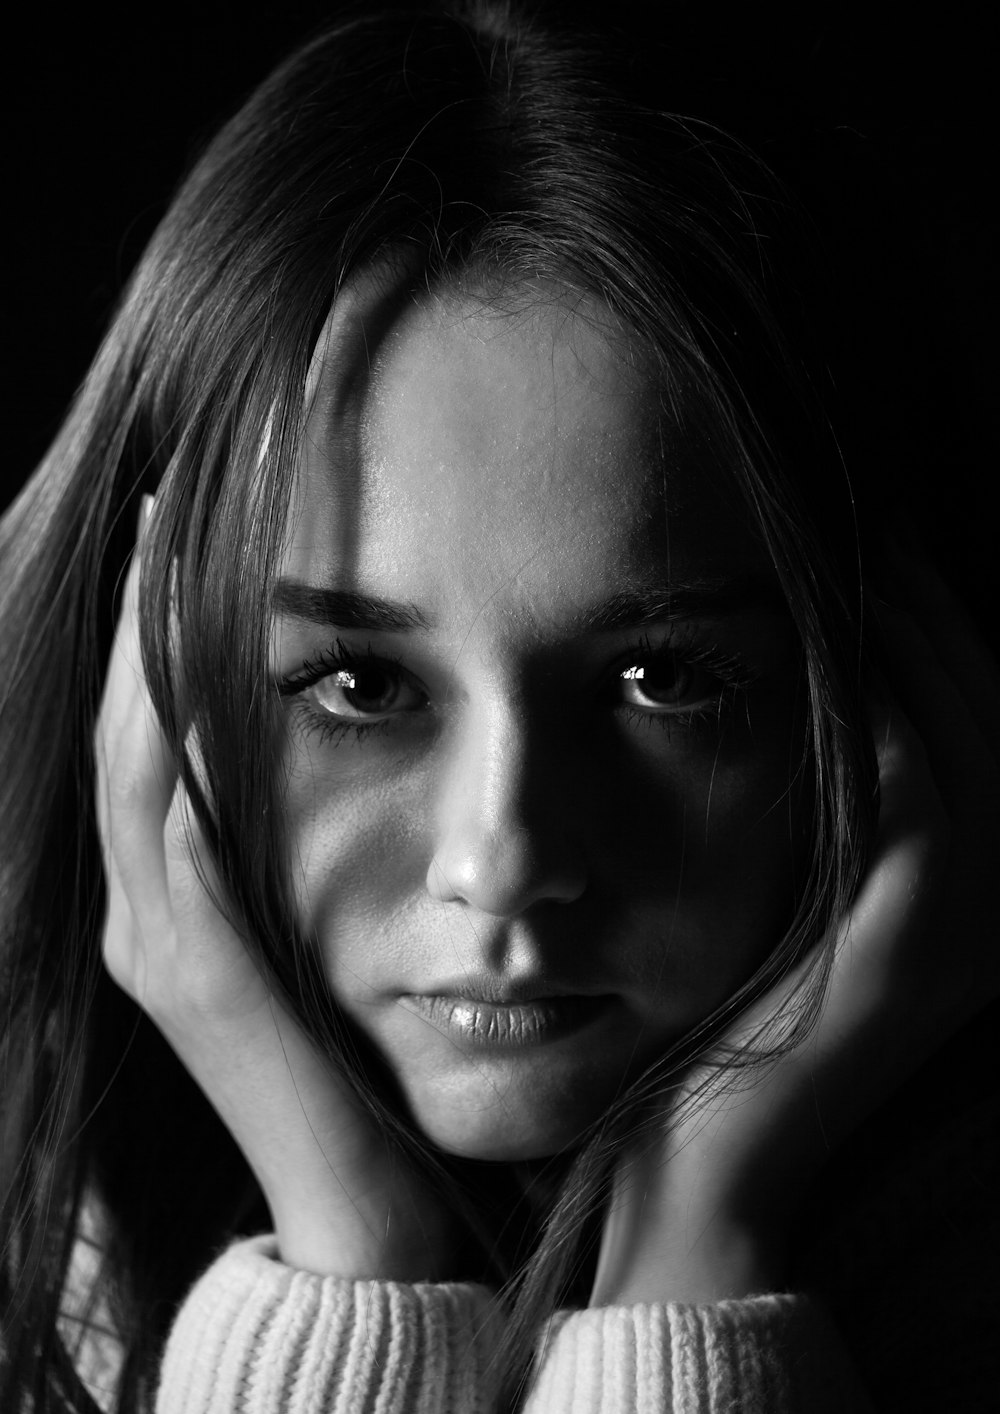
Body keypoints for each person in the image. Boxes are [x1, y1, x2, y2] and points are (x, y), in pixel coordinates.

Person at [2, 3, 996, 1411]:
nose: (504, 860)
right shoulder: (38, 1232)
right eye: (360, 683)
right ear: (147, 686)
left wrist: (696, 1247)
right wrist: (342, 1248)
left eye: (662, 680)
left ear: (895, 689)